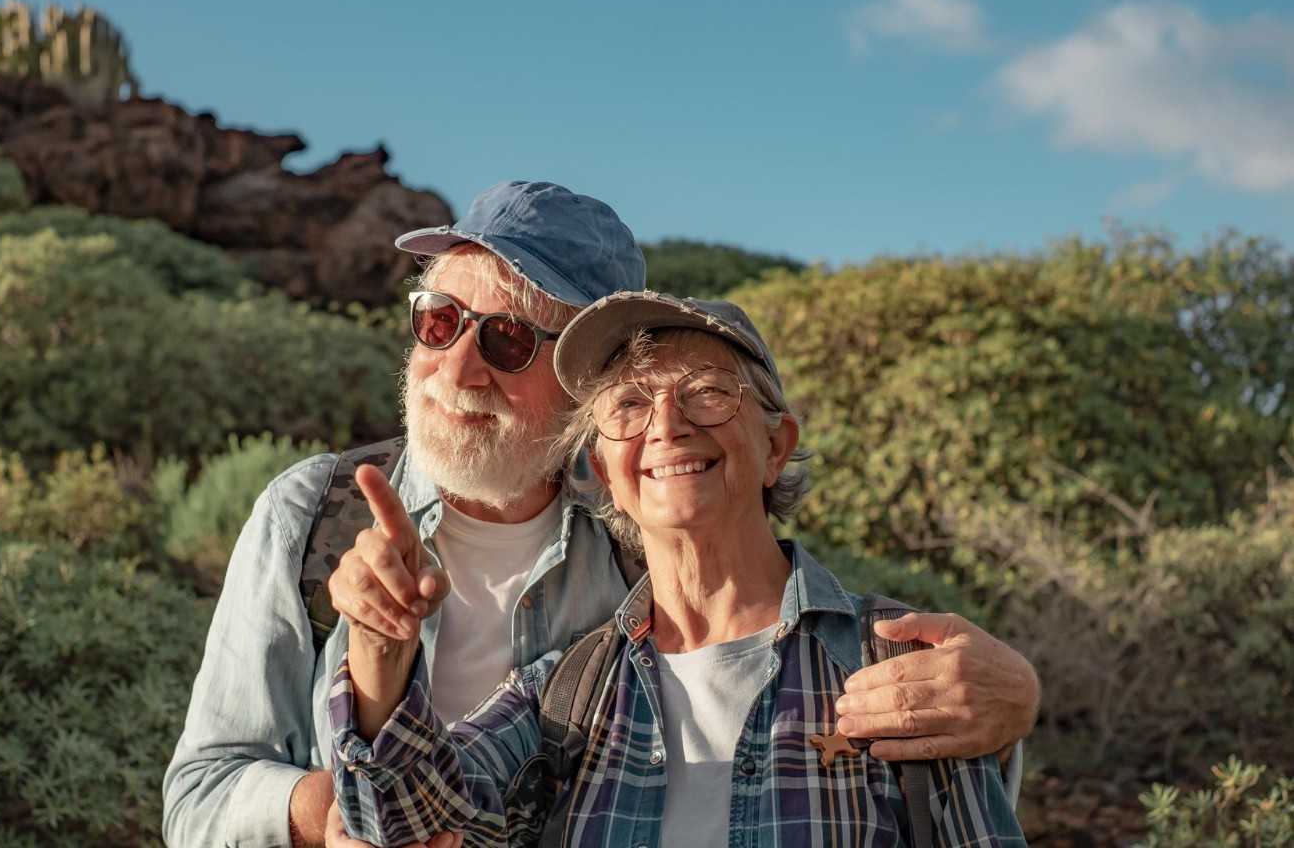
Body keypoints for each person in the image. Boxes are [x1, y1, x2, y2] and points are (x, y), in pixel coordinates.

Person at [163, 182, 1040, 848]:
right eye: (439, 322)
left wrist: (1018, 699)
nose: (459, 368)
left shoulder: (657, 556)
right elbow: (237, 795)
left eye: (506, 340)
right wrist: (337, 777)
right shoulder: (316, 517)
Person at [329, 291, 1028, 847]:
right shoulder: (563, 695)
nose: (666, 425)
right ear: (603, 471)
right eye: (629, 406)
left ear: (775, 446)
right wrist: (378, 653)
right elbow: (409, 825)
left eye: (706, 393)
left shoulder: (899, 666)